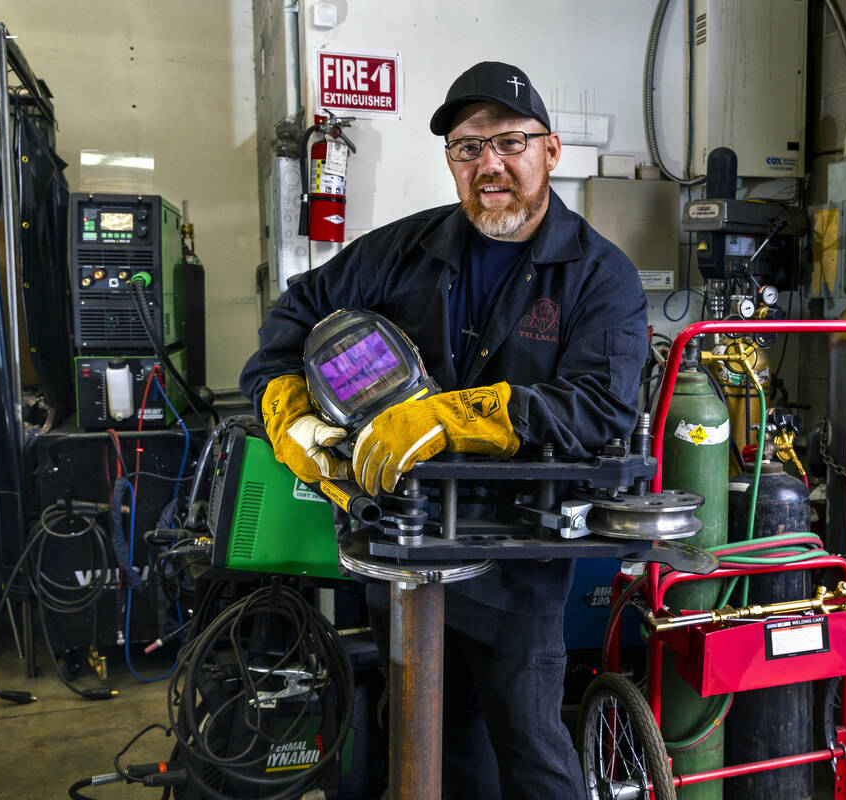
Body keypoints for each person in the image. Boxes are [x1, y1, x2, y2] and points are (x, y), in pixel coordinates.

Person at [239, 61, 648, 800]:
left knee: (529, 751)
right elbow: (292, 321)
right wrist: (290, 412)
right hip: (400, 551)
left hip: (516, 569)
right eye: (467, 147)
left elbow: (601, 406)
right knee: (431, 747)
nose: (489, 164)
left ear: (550, 152)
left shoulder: (598, 276)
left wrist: (460, 415)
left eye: (509, 143)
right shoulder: (402, 251)